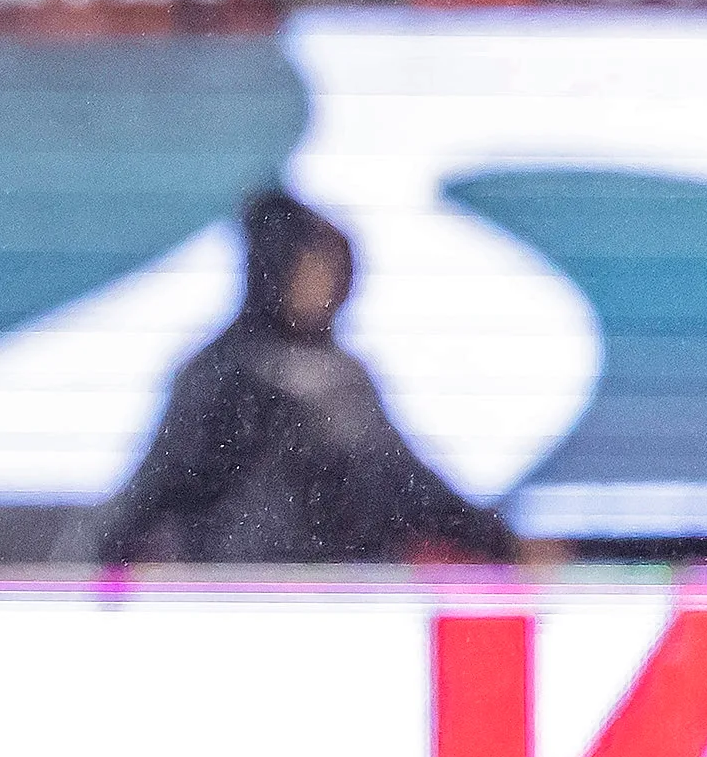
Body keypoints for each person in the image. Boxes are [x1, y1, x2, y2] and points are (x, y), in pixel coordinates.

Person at [79, 187, 520, 566]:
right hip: (241, 598)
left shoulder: (345, 379)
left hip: (346, 597)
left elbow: (405, 484)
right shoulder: (220, 376)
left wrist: (496, 539)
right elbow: (154, 488)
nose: (322, 286)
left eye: (330, 271)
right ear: (274, 271)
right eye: (307, 270)